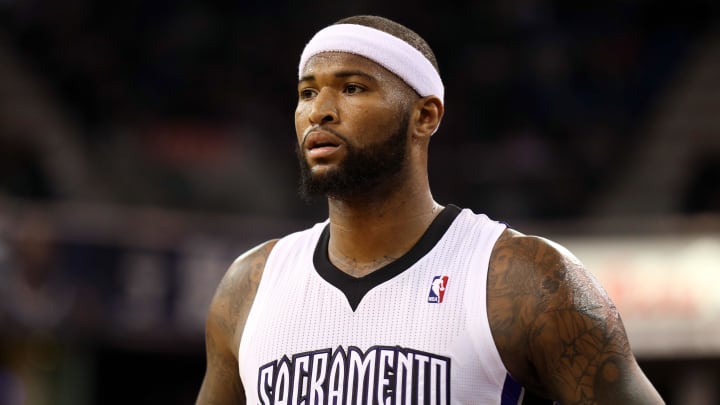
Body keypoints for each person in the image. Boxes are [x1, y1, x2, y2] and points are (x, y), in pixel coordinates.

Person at [196, 15, 664, 404]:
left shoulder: (524, 278)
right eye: (307, 92)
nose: (320, 110)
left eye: (353, 88)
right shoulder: (250, 285)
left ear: (425, 116)